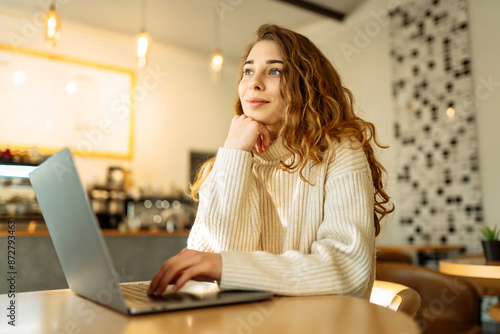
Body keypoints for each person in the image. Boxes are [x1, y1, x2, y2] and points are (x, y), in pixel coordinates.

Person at [148, 24, 394, 300]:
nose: (254, 82)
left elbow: (349, 272)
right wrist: (233, 152)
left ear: (304, 85)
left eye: (274, 70)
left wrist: (226, 266)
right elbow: (210, 264)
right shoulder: (233, 159)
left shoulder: (340, 151)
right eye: (248, 71)